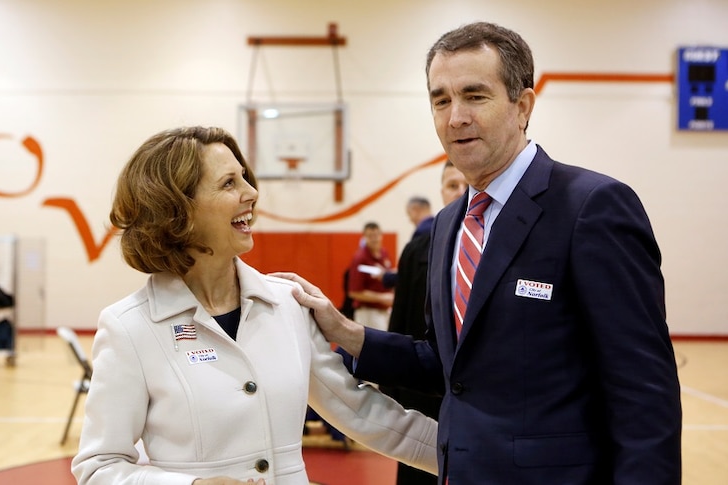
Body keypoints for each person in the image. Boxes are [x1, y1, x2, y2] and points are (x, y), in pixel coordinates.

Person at [275, 21, 682, 484]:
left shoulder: (591, 207)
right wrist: (347, 332)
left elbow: (644, 391)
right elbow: (450, 363)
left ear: (523, 106)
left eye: (475, 95)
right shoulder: (449, 225)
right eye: (441, 100)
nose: (455, 118)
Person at [71, 126, 439, 485]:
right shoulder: (128, 327)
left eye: (245, 178)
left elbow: (361, 413)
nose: (252, 192)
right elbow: (100, 467)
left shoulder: (287, 303)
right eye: (229, 183)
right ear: (178, 211)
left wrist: (467, 455)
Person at [382, 162, 465, 485]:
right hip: (423, 395)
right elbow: (400, 318)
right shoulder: (418, 249)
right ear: (441, 192)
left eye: (464, 184)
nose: (459, 192)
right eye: (451, 185)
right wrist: (390, 388)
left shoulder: (505, 244)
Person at [347, 221, 394, 331]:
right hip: (368, 312)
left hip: (385, 311)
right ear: (364, 238)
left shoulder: (384, 254)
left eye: (376, 235)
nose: (374, 239)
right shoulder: (360, 258)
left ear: (381, 236)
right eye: (370, 236)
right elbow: (354, 292)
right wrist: (382, 298)